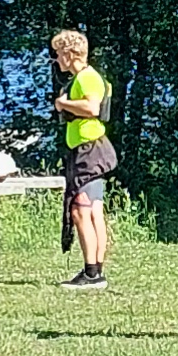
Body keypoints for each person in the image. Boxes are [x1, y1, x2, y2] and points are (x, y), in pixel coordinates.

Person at [49, 28, 116, 291]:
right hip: (89, 150)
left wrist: (62, 104)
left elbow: (91, 108)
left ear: (69, 53)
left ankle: (91, 274)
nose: (56, 59)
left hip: (89, 151)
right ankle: (95, 271)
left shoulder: (87, 78)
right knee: (94, 210)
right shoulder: (85, 77)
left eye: (58, 54)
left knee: (81, 210)